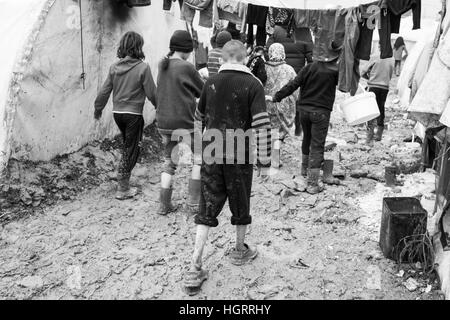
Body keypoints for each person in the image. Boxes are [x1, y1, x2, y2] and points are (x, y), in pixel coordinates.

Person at [183, 40, 272, 295]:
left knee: (207, 206)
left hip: (212, 152)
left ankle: (194, 265)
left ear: (222, 58)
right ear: (245, 59)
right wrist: (265, 161)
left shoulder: (210, 82)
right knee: (241, 200)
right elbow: (263, 125)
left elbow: (198, 118)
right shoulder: (253, 84)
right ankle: (239, 250)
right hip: (239, 154)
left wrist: (199, 152)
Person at [94, 31, 157, 200]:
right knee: (132, 148)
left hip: (118, 114)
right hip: (133, 115)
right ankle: (123, 187)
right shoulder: (143, 67)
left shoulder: (114, 67)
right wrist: (160, 107)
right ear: (138, 47)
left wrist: (98, 109)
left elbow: (105, 90)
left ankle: (122, 174)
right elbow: (152, 93)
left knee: (127, 145)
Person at [267, 58, 341, 194]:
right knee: (317, 145)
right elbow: (343, 85)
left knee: (307, 138)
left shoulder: (309, 68)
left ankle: (304, 170)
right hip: (321, 112)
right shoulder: (334, 70)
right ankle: (312, 184)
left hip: (304, 112)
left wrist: (276, 97)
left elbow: (293, 84)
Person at [156, 30, 204, 216]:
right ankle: (193, 204)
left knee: (169, 161)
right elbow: (202, 91)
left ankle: (164, 204)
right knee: (197, 160)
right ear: (185, 49)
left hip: (164, 122)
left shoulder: (163, 65)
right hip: (184, 122)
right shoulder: (187, 67)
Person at [266, 26, 313, 137]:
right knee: (296, 100)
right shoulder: (304, 31)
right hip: (297, 72)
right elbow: (310, 56)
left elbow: (268, 48)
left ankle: (275, 127)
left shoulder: (276, 30)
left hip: (276, 69)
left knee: (275, 98)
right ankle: (297, 129)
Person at [264, 43, 298, 168]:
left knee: (267, 130)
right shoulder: (289, 69)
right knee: (278, 134)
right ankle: (275, 159)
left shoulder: (263, 67)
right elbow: (295, 88)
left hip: (266, 103)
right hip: (283, 104)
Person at [361, 53, 395, 144]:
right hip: (385, 87)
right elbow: (391, 74)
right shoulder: (391, 59)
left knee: (371, 109)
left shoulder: (375, 56)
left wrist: (369, 77)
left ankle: (370, 134)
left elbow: (363, 72)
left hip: (373, 86)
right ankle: (379, 132)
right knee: (381, 107)